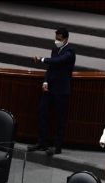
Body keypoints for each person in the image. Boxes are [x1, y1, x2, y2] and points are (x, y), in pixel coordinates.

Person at [29, 27, 76, 156]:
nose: (56, 41)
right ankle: (42, 143)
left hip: (62, 90)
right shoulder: (55, 49)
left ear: (65, 39)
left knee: (61, 119)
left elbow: (59, 61)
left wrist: (41, 59)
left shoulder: (70, 51)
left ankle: (57, 147)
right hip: (50, 88)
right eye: (56, 38)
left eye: (59, 39)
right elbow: (51, 68)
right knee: (42, 113)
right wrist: (45, 81)